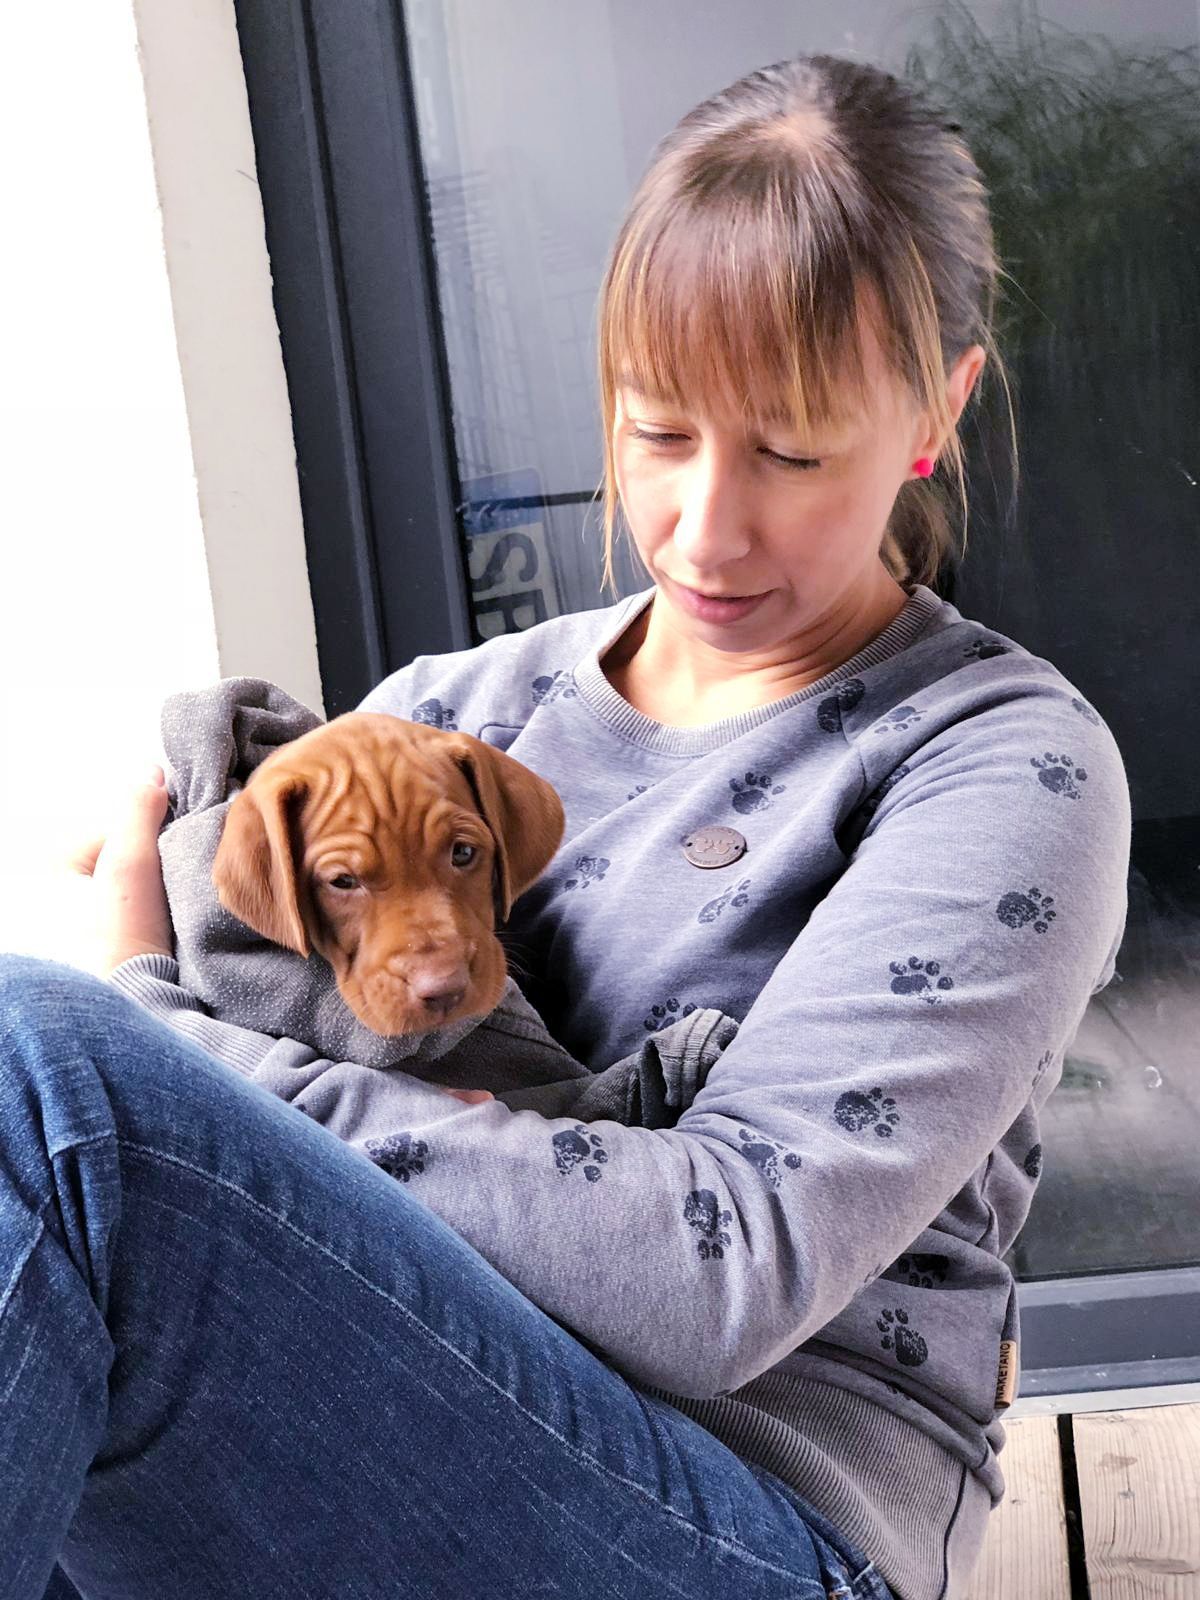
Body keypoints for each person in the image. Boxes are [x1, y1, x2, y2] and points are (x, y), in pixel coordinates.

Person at [1, 51, 1130, 1600]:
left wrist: (153, 1031)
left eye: (792, 450)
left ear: (937, 408)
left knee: (38, 1067)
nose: (705, 528)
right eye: (659, 434)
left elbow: (722, 1276)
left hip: (764, 1513)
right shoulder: (458, 715)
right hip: (414, 1400)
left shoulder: (994, 763)